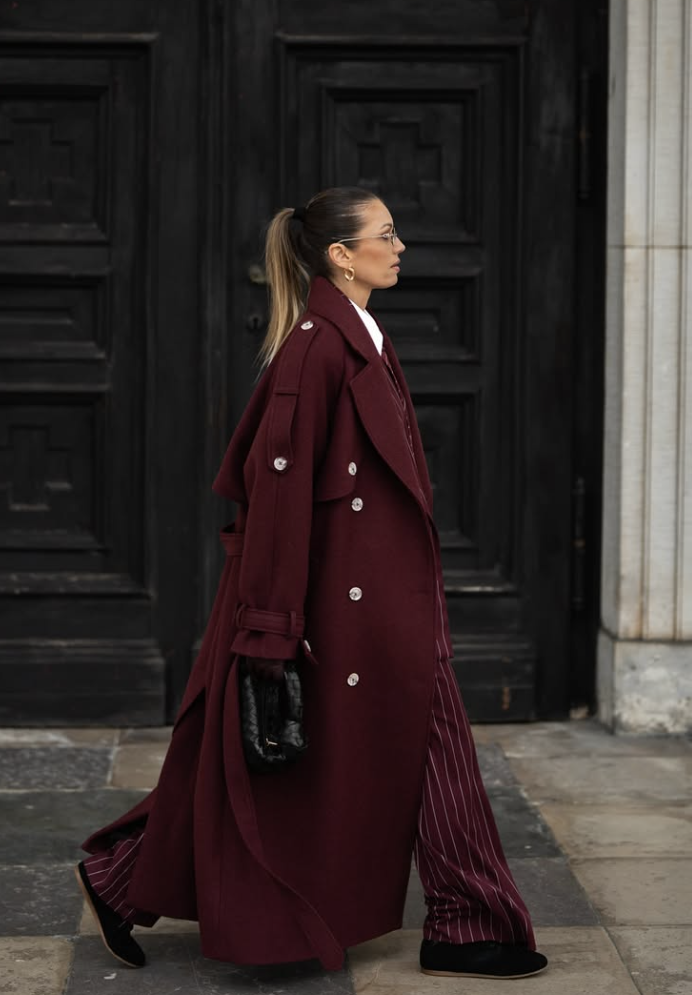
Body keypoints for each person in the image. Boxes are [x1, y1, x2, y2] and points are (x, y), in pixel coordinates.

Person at [75, 186, 548, 982]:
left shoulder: (357, 334)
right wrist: (268, 628)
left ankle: (467, 920)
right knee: (267, 763)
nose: (401, 248)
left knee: (376, 751)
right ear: (340, 254)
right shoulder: (315, 349)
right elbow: (279, 496)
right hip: (337, 605)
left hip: (380, 596)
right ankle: (467, 922)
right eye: (387, 236)